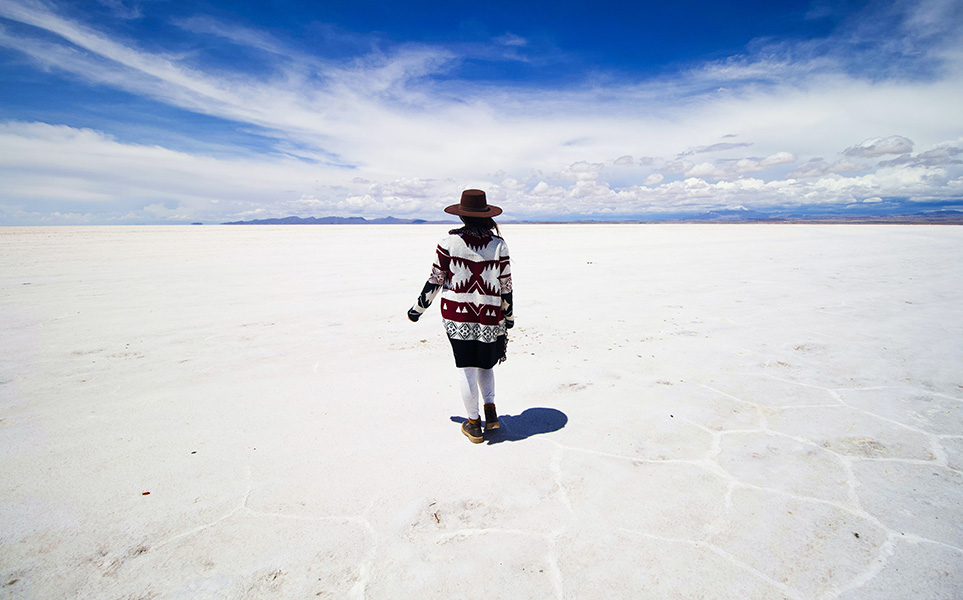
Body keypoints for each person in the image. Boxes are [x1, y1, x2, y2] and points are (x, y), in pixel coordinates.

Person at [408, 189, 514, 443]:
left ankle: (474, 424)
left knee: (466, 368)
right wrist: (508, 317)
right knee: (486, 364)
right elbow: (506, 286)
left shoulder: (448, 243)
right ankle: (491, 414)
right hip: (489, 315)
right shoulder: (499, 245)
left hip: (458, 317)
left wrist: (417, 310)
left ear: (462, 216)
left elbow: (435, 280)